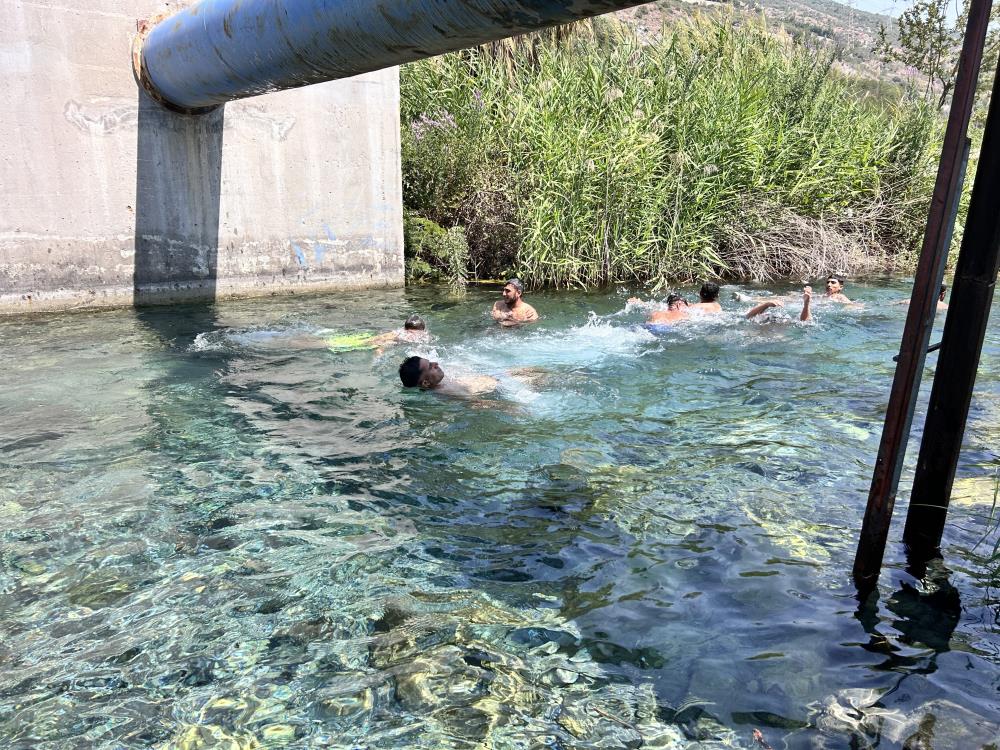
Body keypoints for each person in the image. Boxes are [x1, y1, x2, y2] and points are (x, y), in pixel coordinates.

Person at [398, 356, 499, 397]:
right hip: (498, 387)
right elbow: (478, 404)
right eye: (430, 367)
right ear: (426, 383)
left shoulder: (439, 383)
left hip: (495, 379)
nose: (436, 363)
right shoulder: (447, 392)